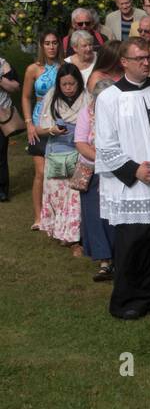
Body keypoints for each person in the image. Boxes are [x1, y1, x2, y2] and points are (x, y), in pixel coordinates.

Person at [94, 38, 150, 320]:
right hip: (132, 186)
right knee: (135, 244)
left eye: (148, 57)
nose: (146, 62)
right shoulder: (109, 98)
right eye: (140, 58)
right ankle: (131, 299)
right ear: (124, 62)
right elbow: (105, 146)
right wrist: (134, 170)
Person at [75, 76, 119, 282]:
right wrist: (103, 158)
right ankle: (104, 261)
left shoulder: (121, 113)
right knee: (95, 216)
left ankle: (120, 258)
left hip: (117, 171)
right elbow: (81, 142)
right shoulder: (86, 113)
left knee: (115, 216)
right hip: (93, 170)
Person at [38, 62, 86, 251]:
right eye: (64, 84)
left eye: (71, 84)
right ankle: (60, 232)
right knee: (57, 197)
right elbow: (39, 129)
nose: (68, 88)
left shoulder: (86, 100)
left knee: (74, 198)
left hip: (79, 155)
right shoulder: (51, 98)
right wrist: (52, 130)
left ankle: (74, 237)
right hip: (56, 154)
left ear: (78, 83)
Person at [21, 28, 63, 229]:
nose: (51, 47)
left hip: (59, 120)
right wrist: (29, 123)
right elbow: (25, 96)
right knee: (41, 171)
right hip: (38, 122)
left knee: (59, 171)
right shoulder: (33, 69)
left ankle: (58, 213)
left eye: (54, 42)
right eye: (47, 43)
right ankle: (38, 217)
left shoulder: (66, 66)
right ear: (41, 46)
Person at [0, 55, 22, 202]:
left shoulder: (2, 63)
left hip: (1, 115)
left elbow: (15, 87)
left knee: (0, 154)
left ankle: (2, 190)